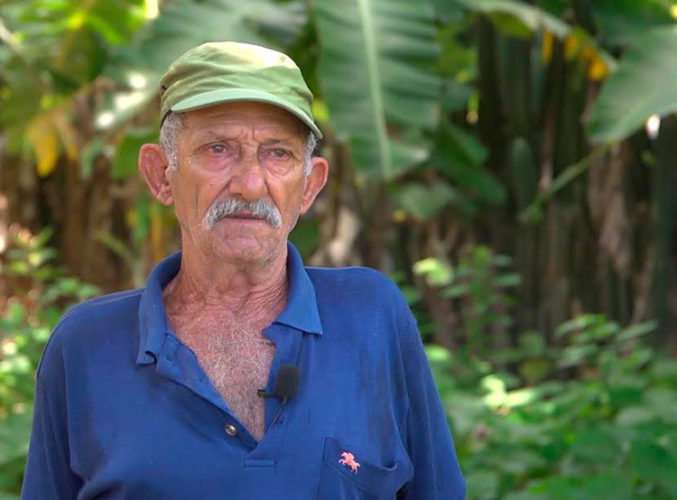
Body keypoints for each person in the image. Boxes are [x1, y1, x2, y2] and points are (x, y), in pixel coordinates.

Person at [21, 41, 465, 499]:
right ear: (161, 175)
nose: (251, 184)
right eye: (218, 149)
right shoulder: (86, 345)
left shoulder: (373, 317)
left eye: (278, 154)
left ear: (310, 186)